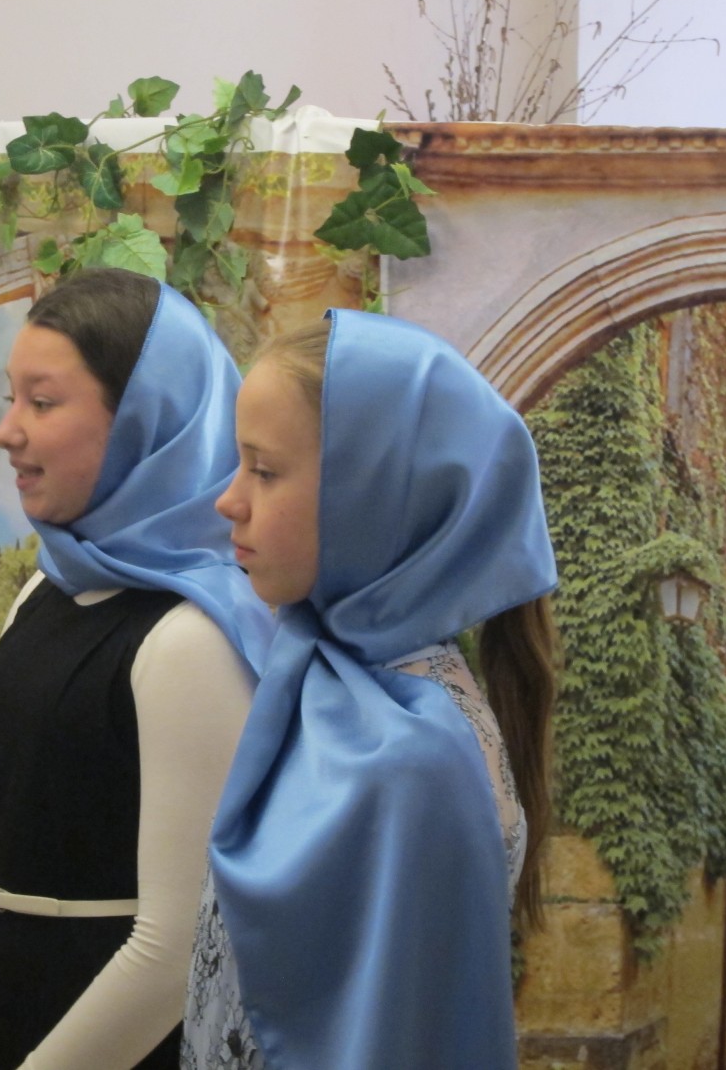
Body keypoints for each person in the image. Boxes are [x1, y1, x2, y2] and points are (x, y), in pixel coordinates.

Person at [182, 311, 559, 1069]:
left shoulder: (416, 762)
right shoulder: (326, 682)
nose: (229, 499)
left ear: (372, 499)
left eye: (264, 470)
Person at [0, 268, 274, 1070]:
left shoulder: (189, 638)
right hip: (4, 1018)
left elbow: (174, 948)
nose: (7, 430)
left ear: (142, 421)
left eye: (42, 403)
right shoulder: (44, 593)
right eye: (11, 398)